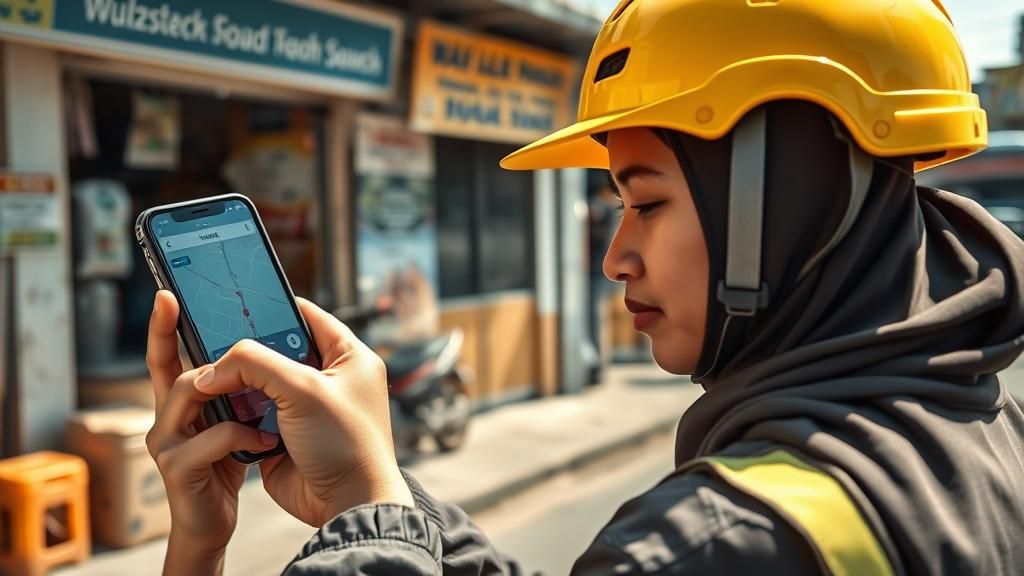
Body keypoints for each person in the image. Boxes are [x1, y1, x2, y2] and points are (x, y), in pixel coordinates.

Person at [145, 0, 1024, 574]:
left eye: (645, 202)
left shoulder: (719, 545)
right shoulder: (978, 423)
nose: (615, 257)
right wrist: (377, 494)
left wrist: (359, 526)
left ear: (779, 199)